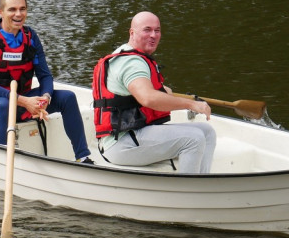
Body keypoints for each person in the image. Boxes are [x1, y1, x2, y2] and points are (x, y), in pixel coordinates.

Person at [0, 0, 93, 164]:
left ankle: (83, 157)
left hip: (20, 101)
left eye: (22, 9)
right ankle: (5, 162)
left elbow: (45, 76)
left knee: (67, 98)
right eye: (12, 9)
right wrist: (25, 101)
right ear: (0, 12)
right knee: (4, 106)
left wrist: (44, 99)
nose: (18, 14)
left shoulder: (30, 36)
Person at [91, 11, 216, 173]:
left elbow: (141, 91)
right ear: (132, 32)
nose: (153, 35)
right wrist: (191, 104)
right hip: (120, 143)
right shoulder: (131, 63)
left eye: (157, 30)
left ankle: (202, 183)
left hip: (133, 133)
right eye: (147, 30)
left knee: (207, 132)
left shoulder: (127, 53)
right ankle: (188, 192)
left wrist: (163, 91)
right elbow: (148, 98)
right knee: (193, 139)